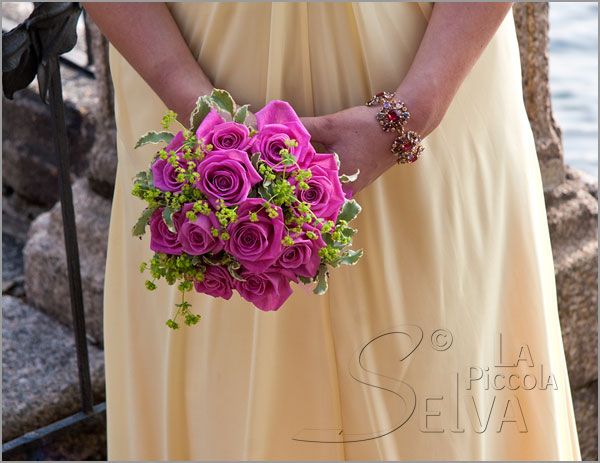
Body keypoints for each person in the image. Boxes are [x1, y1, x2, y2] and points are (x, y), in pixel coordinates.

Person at [83, 2, 581, 460]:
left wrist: (416, 108)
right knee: (222, 389)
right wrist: (199, 111)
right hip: (190, 84)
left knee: (439, 379)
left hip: (430, 70)